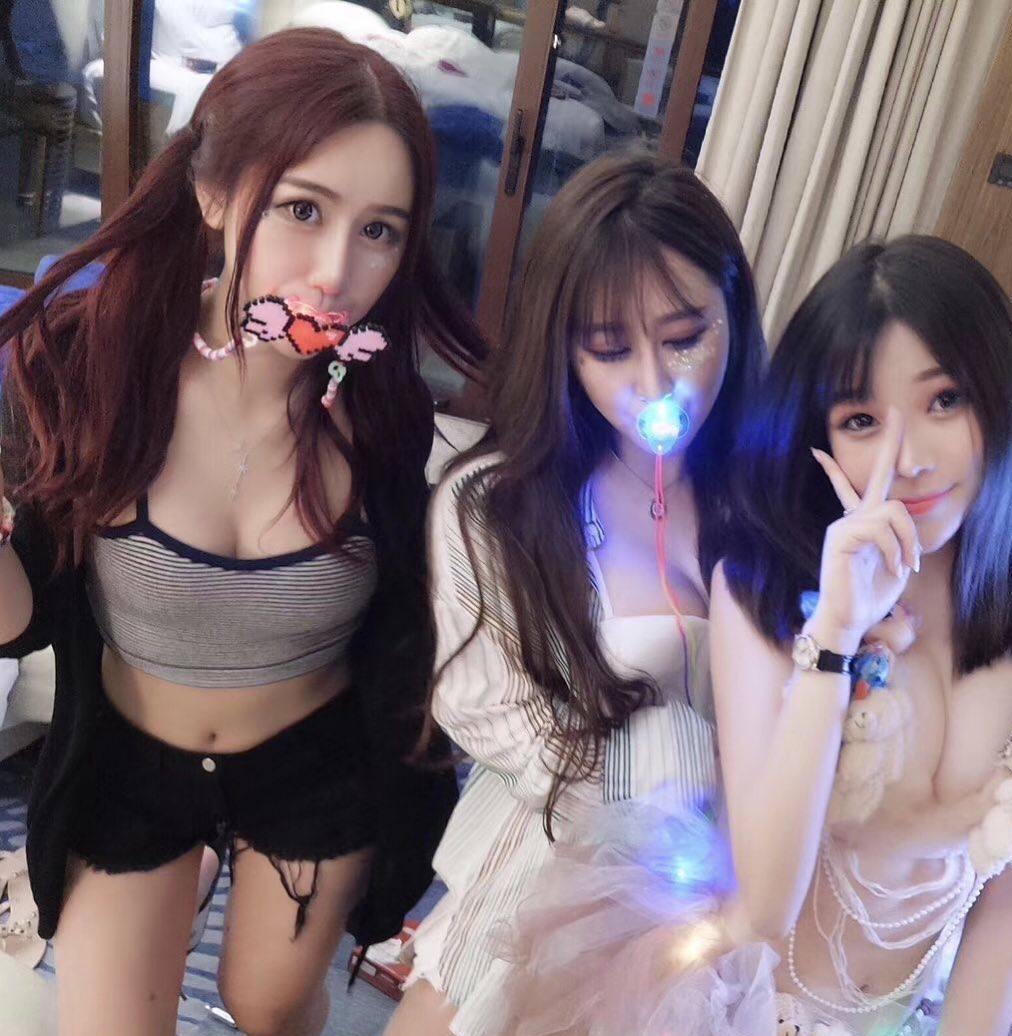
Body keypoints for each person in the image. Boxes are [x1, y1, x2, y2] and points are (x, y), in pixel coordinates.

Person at [0, 27, 484, 1036]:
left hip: (313, 760)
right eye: (303, 209)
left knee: (268, 1006)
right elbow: (19, 618)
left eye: (379, 230)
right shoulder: (92, 370)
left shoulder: (384, 415)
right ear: (214, 194)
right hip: (130, 758)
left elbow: (416, 625)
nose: (336, 271)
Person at [384, 148, 765, 1036]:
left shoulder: (771, 504)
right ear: (564, 349)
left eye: (686, 336)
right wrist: (667, 763)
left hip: (726, 914)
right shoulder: (498, 504)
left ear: (735, 317)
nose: (655, 384)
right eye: (609, 348)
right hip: (550, 874)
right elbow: (489, 712)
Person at [709, 235, 1012, 1035]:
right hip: (742, 1009)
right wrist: (836, 633)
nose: (907, 459)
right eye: (862, 420)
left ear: (999, 398)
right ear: (819, 438)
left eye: (945, 401)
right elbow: (765, 903)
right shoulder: (758, 590)